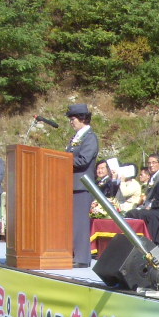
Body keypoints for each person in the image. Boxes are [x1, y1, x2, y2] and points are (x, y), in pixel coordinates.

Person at [66, 103, 99, 267]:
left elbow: (84, 160)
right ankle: (72, 253)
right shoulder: (76, 137)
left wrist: (64, 160)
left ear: (82, 119)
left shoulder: (90, 137)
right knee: (72, 222)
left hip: (82, 185)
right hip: (71, 184)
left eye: (73, 119)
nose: (71, 122)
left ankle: (82, 258)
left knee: (80, 223)